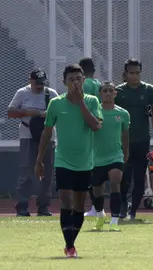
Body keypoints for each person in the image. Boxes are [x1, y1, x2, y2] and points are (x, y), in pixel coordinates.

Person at [35, 64, 102, 258]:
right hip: (63, 161)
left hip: (85, 161)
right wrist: (39, 160)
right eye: (71, 79)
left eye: (79, 78)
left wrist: (81, 103)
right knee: (66, 200)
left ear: (84, 81)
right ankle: (70, 246)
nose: (75, 82)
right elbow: (47, 133)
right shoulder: (56, 103)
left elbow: (96, 126)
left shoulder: (92, 101)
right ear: (64, 82)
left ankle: (71, 242)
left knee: (79, 204)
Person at [114, 58, 153, 220]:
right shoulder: (118, 92)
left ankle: (133, 211)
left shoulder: (149, 91)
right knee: (123, 177)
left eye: (137, 73)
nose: (134, 76)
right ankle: (122, 208)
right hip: (122, 142)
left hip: (142, 140)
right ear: (125, 74)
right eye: (131, 73)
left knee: (139, 177)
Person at [8, 68, 58, 217]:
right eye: (37, 83)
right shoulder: (22, 93)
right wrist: (31, 112)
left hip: (48, 136)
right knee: (26, 170)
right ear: (30, 80)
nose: (40, 86)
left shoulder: (51, 94)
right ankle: (22, 205)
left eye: (42, 83)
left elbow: (61, 112)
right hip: (28, 135)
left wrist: (50, 114)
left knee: (48, 172)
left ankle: (43, 206)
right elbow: (10, 112)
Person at [88, 81, 129, 231]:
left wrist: (126, 152)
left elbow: (125, 135)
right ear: (100, 94)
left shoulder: (122, 113)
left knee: (115, 182)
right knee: (97, 189)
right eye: (104, 91)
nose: (108, 93)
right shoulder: (94, 111)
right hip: (96, 157)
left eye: (110, 91)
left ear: (115, 93)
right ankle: (100, 214)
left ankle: (115, 220)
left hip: (115, 155)